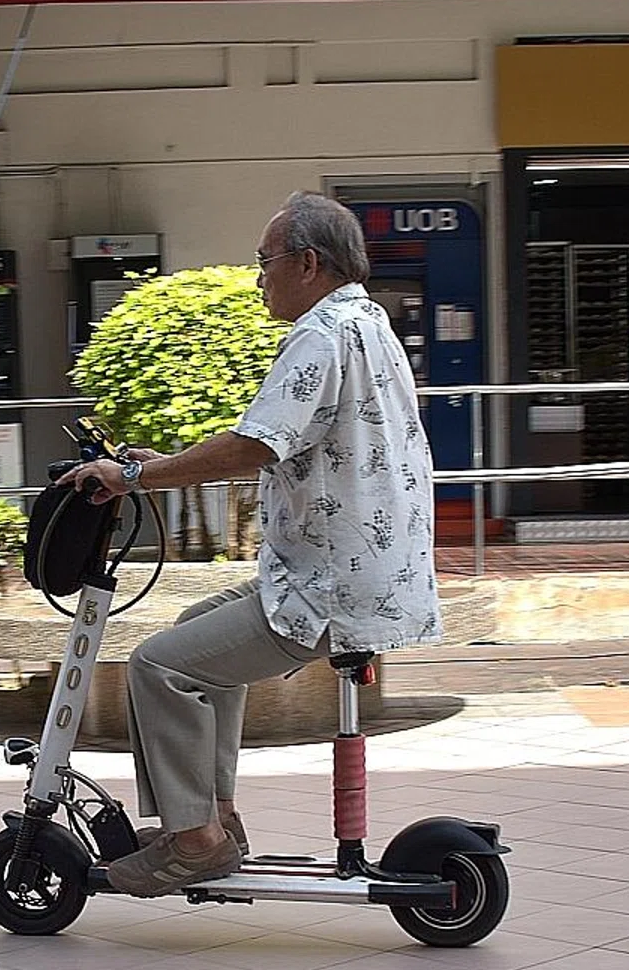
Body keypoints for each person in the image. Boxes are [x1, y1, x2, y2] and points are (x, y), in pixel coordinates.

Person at [56, 191, 441, 897]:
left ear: (306, 262)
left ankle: (194, 841)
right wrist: (155, 464)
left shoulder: (321, 335)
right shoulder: (367, 321)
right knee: (190, 634)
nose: (259, 275)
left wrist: (135, 475)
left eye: (264, 261)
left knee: (156, 667)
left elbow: (255, 445)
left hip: (328, 586)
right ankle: (214, 820)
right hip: (354, 572)